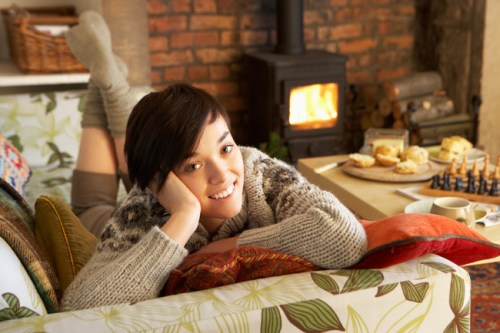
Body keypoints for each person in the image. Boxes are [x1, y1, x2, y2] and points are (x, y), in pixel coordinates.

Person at [61, 11, 367, 311]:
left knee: (150, 151)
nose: (223, 174)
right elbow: (78, 308)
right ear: (160, 183)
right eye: (193, 165)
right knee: (91, 208)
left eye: (225, 148)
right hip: (143, 203)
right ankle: (107, 84)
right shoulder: (142, 208)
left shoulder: (258, 172)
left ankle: (109, 81)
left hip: (161, 174)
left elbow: (346, 236)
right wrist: (183, 216)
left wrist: (229, 246)